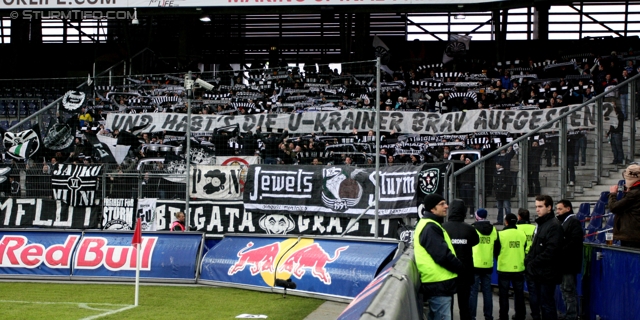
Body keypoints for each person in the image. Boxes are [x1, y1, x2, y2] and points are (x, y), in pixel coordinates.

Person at [414, 194, 465, 320]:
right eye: (442, 204)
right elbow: (442, 255)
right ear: (432, 208)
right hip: (439, 284)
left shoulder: (428, 224)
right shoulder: (430, 227)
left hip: (436, 283)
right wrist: (461, 268)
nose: (446, 206)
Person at [525, 195, 564, 320]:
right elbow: (534, 247)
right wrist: (528, 260)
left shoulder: (554, 226)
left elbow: (551, 251)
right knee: (542, 304)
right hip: (538, 272)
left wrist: (532, 263)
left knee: (547, 305)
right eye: (536, 206)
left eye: (540, 206)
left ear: (549, 207)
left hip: (547, 273)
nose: (537, 209)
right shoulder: (542, 224)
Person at [443, 199, 480, 320]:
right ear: (463, 211)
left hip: (448, 272)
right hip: (466, 271)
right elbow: (475, 242)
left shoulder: (443, 228)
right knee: (464, 305)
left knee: (448, 305)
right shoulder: (469, 229)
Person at [495, 213, 527, 320]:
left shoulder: (501, 234)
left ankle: (503, 317)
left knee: (503, 296)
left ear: (506, 222)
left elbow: (496, 252)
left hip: (504, 268)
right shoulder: (522, 234)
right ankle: (520, 315)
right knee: (519, 295)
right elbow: (524, 249)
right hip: (519, 268)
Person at [555, 200, 582, 320]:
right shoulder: (563, 221)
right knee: (564, 289)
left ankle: (572, 315)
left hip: (569, 262)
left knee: (568, 290)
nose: (557, 211)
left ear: (568, 209)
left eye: (560, 209)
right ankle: (568, 313)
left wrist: (560, 249)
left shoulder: (573, 221)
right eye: (557, 209)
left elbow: (574, 241)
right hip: (564, 262)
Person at [470, 208, 498, 320]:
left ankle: (472, 316)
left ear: (477, 216)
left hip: (475, 264)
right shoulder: (494, 230)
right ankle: (488, 316)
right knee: (487, 292)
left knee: (473, 292)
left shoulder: (473, 229)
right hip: (488, 265)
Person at [608, 164, 640, 248]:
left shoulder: (634, 194)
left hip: (631, 236)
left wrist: (613, 194)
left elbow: (614, 207)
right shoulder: (634, 192)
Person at [516, 208, 538, 320]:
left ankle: (520, 314)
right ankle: (536, 314)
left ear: (519, 217)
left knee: (518, 290)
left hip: (519, 259)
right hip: (533, 260)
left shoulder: (516, 228)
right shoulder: (534, 228)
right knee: (533, 290)